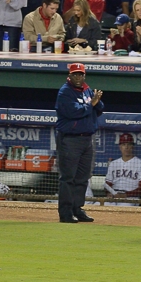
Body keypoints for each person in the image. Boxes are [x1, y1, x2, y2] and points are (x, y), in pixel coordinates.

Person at [55, 62, 103, 223]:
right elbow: (73, 112)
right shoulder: (65, 92)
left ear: (84, 75)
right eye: (75, 74)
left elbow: (99, 108)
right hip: (70, 139)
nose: (78, 77)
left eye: (80, 74)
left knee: (82, 177)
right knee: (68, 177)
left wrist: (96, 102)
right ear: (69, 75)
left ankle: (77, 208)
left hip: (86, 139)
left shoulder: (87, 89)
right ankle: (66, 212)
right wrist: (91, 104)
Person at [105, 133, 141, 201]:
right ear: (120, 147)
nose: (126, 147)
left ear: (132, 146)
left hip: (131, 198)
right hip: (114, 196)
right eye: (123, 144)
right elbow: (107, 184)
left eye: (129, 144)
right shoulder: (113, 164)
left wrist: (126, 195)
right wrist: (109, 193)